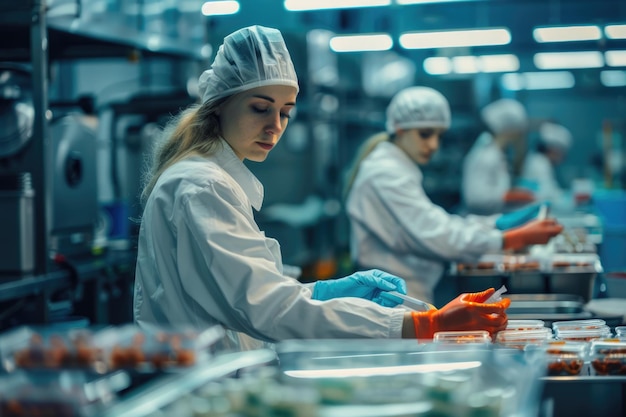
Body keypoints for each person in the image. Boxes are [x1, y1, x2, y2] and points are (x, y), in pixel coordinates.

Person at [132, 25, 510, 350]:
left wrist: (322, 292)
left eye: (285, 112)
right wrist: (420, 325)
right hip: (204, 384)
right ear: (220, 104)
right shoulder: (202, 186)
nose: (275, 126)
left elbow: (252, 292)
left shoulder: (207, 179)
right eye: (260, 108)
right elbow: (265, 307)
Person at [344, 87, 564, 302]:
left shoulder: (396, 168)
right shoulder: (386, 173)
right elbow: (438, 234)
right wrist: (510, 238)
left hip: (406, 290)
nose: (433, 145)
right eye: (425, 134)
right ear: (400, 129)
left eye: (438, 136)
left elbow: (435, 222)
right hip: (395, 296)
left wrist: (495, 224)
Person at [462, 98, 535, 216]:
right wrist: (510, 196)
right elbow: (475, 198)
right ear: (510, 129)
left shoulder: (496, 153)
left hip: (490, 218)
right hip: (480, 221)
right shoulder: (487, 156)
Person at [521, 122, 572, 207]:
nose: (562, 158)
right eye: (562, 153)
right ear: (553, 149)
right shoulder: (540, 164)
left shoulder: (540, 161)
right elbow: (547, 195)